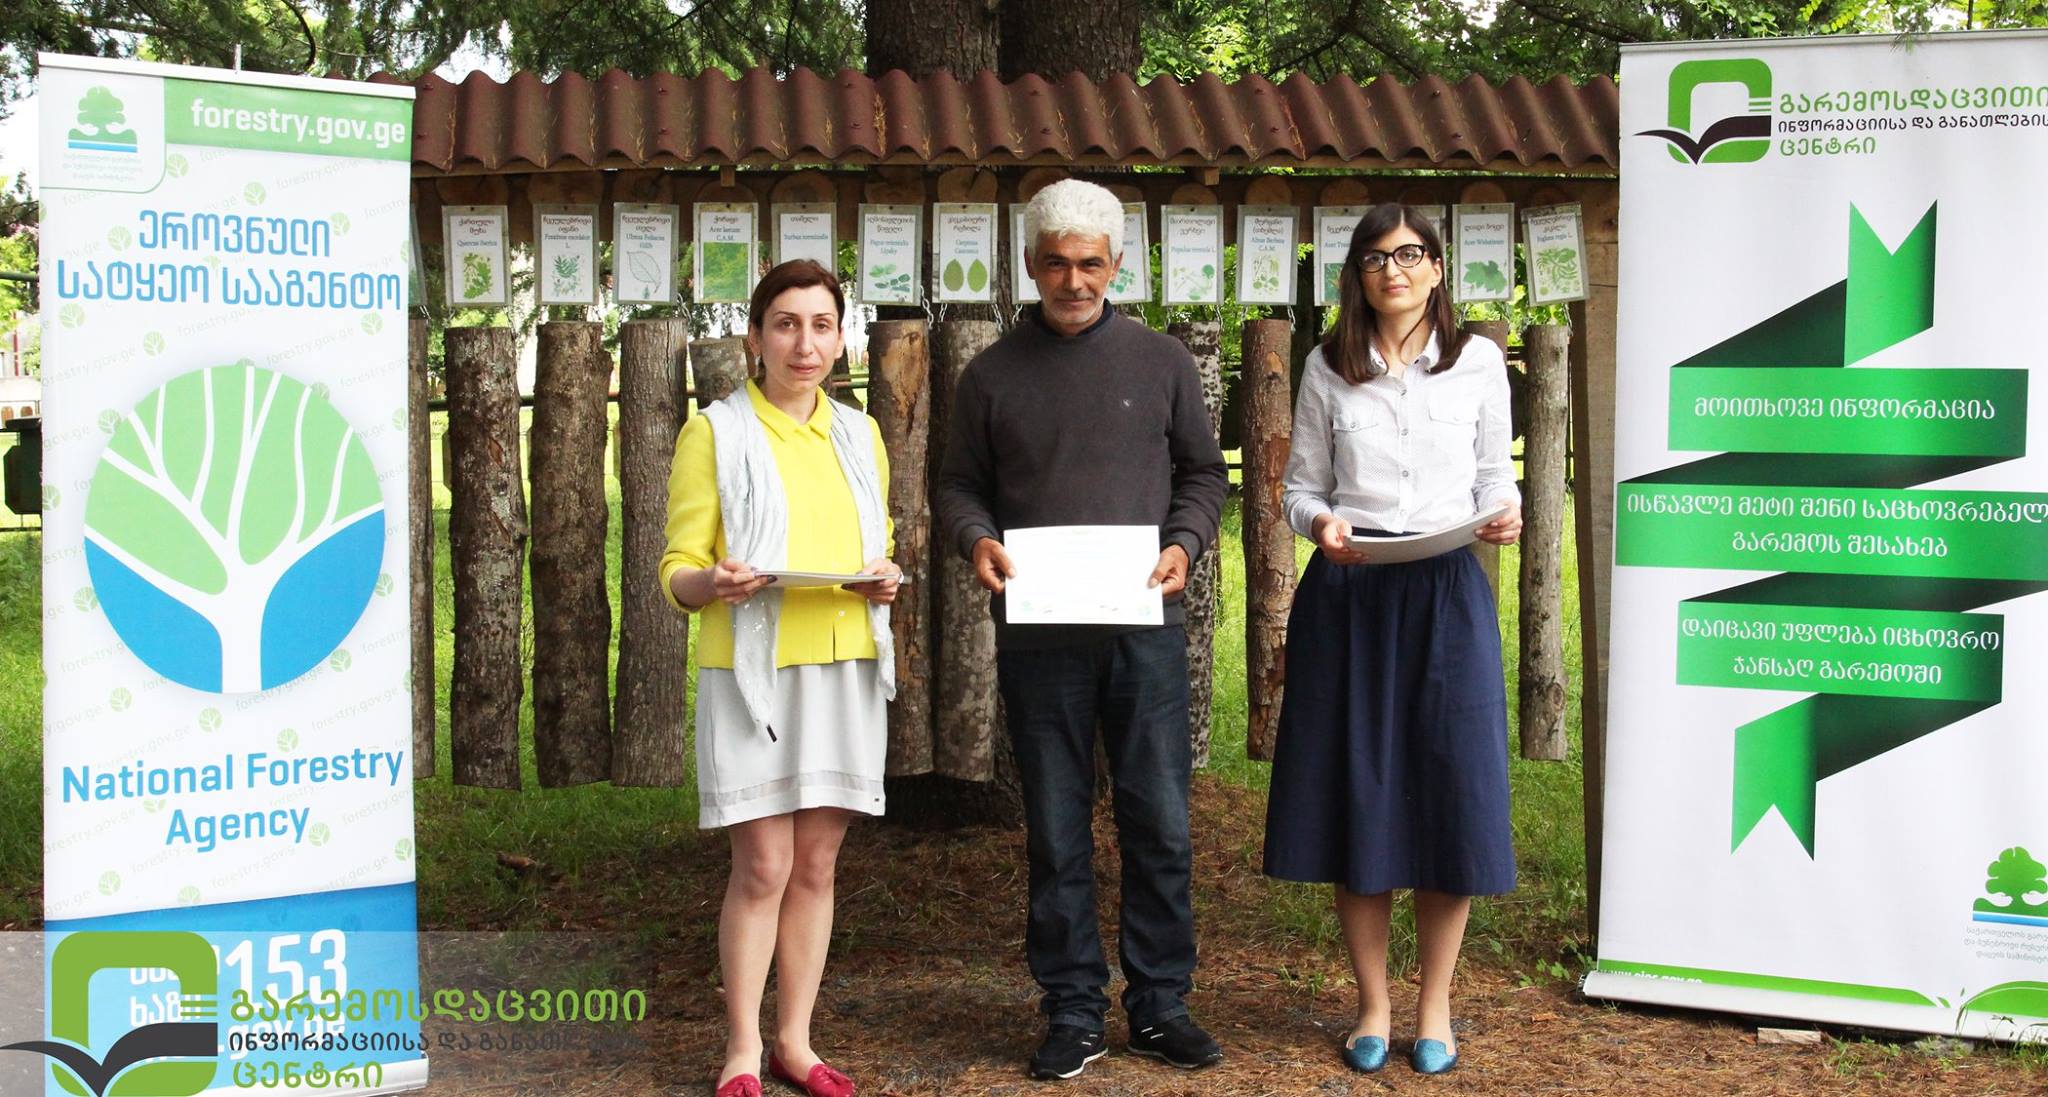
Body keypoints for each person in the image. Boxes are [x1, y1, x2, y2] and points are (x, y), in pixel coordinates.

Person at [935, 179, 1229, 1081]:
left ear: (1117, 265)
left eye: (1091, 264)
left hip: (1144, 625)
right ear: (1030, 265)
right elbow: (957, 486)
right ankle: (1071, 1006)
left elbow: (1203, 475)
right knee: (1056, 828)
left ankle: (1160, 1002)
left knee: (1159, 821)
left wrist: (1183, 543)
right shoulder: (990, 376)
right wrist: (976, 538)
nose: (1074, 281)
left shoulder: (1163, 362)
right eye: (1057, 264)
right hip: (1041, 635)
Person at [1262, 203, 1524, 1077]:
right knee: (1360, 791)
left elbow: (1494, 477)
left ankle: (1434, 1003)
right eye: (1376, 258)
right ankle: (1372, 1002)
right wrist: (1322, 524)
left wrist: (1505, 512)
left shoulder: (1477, 360)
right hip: (1352, 593)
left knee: (1451, 791)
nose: (1394, 271)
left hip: (1448, 591)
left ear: (1437, 268)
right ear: (1357, 275)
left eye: (1410, 254)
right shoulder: (1327, 366)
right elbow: (1298, 490)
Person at [661, 259, 903, 1097]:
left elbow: (878, 545)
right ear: (754, 337)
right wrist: (713, 583)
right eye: (787, 324)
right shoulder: (716, 432)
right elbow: (678, 570)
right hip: (752, 673)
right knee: (763, 865)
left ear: (842, 339)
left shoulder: (859, 434)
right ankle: (741, 1046)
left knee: (816, 866)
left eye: (822, 325)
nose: (805, 343)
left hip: (844, 665)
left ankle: (795, 1042)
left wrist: (884, 578)